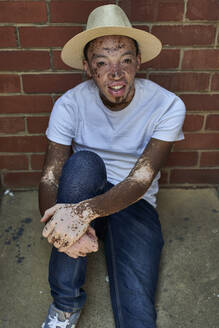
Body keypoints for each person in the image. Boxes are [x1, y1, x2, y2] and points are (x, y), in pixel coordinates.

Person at [39, 4, 186, 328]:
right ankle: (65, 306)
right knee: (83, 164)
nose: (115, 73)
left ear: (138, 62)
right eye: (102, 63)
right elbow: (51, 177)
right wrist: (63, 230)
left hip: (133, 203)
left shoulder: (168, 105)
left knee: (137, 306)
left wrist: (82, 215)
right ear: (88, 67)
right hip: (85, 190)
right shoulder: (70, 104)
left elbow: (141, 179)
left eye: (125, 61)